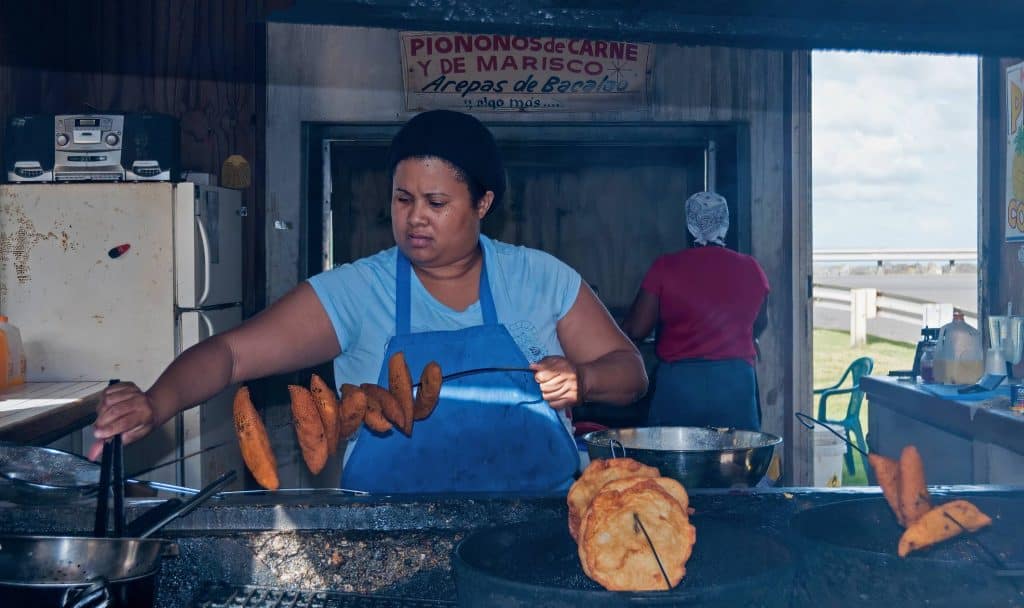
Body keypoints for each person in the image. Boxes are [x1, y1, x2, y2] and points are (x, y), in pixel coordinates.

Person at [88, 110, 648, 494]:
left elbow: (631, 372)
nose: (415, 217)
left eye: (436, 201)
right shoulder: (360, 291)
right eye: (403, 199)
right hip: (387, 538)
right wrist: (155, 402)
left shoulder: (540, 278)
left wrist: (583, 380)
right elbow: (232, 356)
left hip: (534, 525)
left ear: (483, 202)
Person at [621, 191, 768, 431]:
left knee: (673, 464)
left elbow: (636, 329)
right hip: (736, 384)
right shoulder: (751, 268)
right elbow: (760, 322)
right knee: (737, 460)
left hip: (681, 385)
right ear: (725, 222)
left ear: (689, 225)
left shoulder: (666, 267)